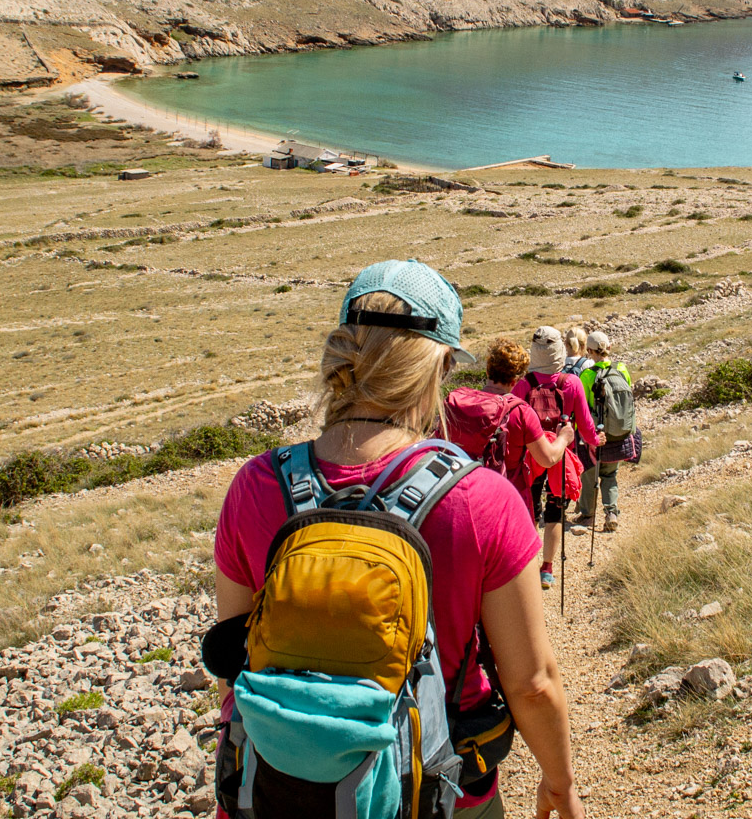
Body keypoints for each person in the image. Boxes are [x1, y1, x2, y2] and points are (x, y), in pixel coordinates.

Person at [210, 261, 585, 819]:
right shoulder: (482, 499)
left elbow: (232, 665)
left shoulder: (255, 485)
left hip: (278, 789)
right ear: (438, 365)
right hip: (436, 789)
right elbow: (531, 685)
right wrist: (560, 783)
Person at [515, 326, 599, 590]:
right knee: (555, 510)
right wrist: (596, 441)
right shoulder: (571, 383)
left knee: (530, 510)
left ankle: (528, 565)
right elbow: (585, 424)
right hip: (561, 457)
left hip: (530, 457)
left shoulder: (523, 385)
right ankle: (547, 568)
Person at [443, 336, 575, 494]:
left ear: (488, 370)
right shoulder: (521, 412)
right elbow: (548, 458)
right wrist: (563, 438)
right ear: (516, 380)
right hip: (506, 495)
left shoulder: (457, 401)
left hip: (462, 491)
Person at [572, 329, 634, 533]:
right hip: (617, 432)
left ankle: (588, 515)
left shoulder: (587, 375)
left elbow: (582, 407)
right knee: (610, 475)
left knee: (589, 474)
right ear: (609, 347)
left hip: (594, 435)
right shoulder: (622, 369)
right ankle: (611, 513)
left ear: (589, 351)